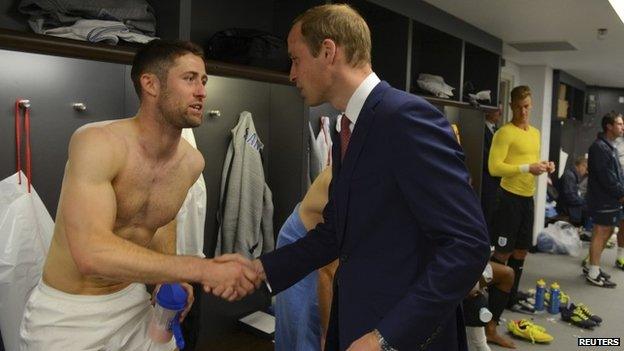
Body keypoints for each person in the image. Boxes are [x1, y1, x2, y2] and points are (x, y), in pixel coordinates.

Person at [252, 4, 491, 350]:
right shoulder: (346, 127)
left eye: (296, 59)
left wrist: (386, 338)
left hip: (402, 335)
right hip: (358, 323)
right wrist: (262, 270)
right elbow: (338, 231)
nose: (291, 74)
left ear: (328, 51)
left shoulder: (406, 118)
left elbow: (468, 245)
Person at [19, 40, 260, 350]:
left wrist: (167, 279)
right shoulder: (98, 142)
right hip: (69, 314)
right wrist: (202, 269)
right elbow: (91, 253)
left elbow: (160, 221)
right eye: (189, 79)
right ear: (151, 84)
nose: (201, 91)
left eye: (203, 81)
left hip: (134, 304)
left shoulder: (191, 162)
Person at [488, 85, 555, 313]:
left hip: (528, 198)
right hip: (508, 199)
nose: (523, 112)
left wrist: (545, 166)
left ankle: (510, 296)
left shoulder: (535, 133)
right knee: (503, 253)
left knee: (521, 251)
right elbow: (494, 168)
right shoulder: (504, 133)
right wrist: (528, 168)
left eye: (526, 107)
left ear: (531, 105)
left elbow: (531, 161)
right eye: (518, 107)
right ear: (511, 107)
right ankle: (491, 300)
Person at [274, 168, 335, 351]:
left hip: (322, 240)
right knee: (304, 330)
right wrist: (327, 337)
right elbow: (328, 273)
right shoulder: (347, 184)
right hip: (300, 240)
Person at [584, 112, 624, 287]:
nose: (622, 127)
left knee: (606, 232)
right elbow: (605, 177)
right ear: (609, 126)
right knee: (601, 232)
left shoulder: (609, 146)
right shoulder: (599, 147)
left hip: (611, 198)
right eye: (620, 124)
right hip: (603, 198)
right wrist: (621, 193)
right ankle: (593, 272)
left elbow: (616, 174)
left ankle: (593, 266)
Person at [482, 106, 502, 241]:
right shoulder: (480, 129)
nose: (500, 113)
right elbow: (485, 157)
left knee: (495, 216)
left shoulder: (499, 132)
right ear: (487, 110)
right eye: (497, 110)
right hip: (486, 181)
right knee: (486, 214)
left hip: (499, 183)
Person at [556, 156, 588, 226]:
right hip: (566, 211)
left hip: (568, 210)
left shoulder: (571, 175)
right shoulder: (569, 176)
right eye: (586, 169)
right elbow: (570, 197)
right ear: (581, 166)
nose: (586, 172)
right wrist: (585, 202)